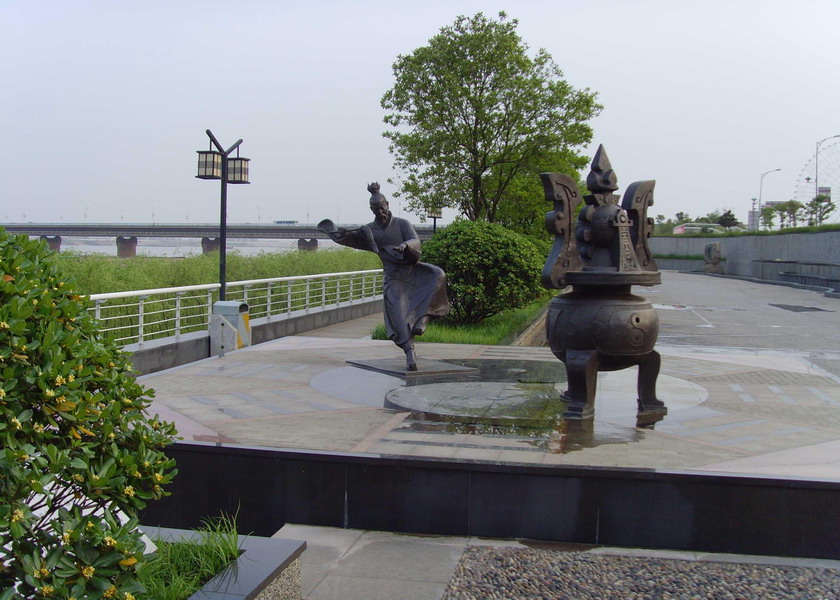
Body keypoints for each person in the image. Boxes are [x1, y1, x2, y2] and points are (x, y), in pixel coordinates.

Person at [318, 183, 449, 370]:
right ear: (371, 210)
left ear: (387, 204)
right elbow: (348, 237)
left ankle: (423, 319)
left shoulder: (402, 224)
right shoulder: (369, 231)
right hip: (394, 278)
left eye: (382, 207)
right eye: (376, 209)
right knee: (398, 315)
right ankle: (410, 353)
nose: (380, 212)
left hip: (412, 271)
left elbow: (415, 240)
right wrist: (333, 230)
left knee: (437, 275)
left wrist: (406, 245)